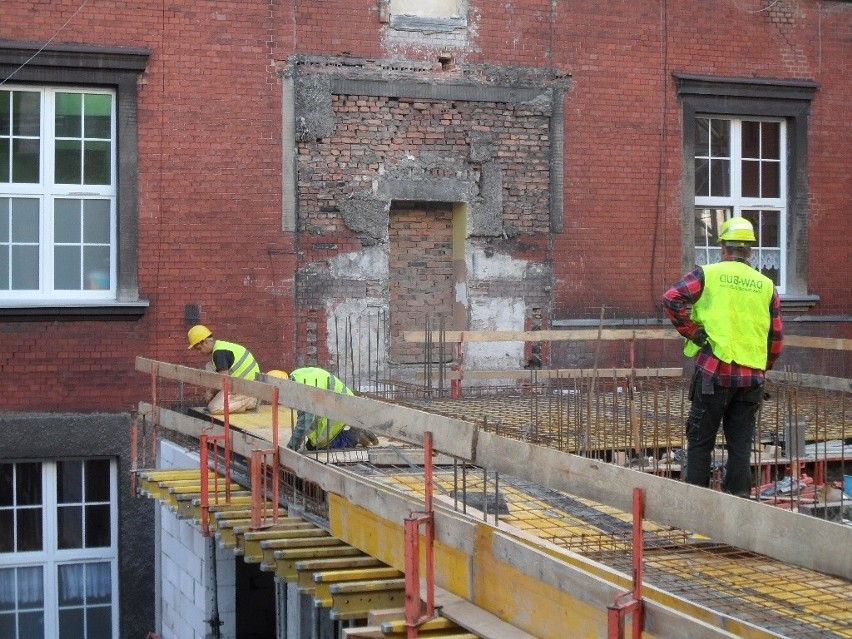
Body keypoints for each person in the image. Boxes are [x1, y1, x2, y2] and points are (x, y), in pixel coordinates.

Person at [662, 217, 783, 497]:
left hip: (713, 376)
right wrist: (762, 368)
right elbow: (775, 338)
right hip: (751, 379)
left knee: (701, 444)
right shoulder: (766, 285)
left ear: (723, 249)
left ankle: (698, 513)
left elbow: (672, 298)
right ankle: (738, 511)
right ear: (750, 251)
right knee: (740, 448)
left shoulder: (709, 274)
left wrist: (694, 332)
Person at [281, 366, 379, 451]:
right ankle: (353, 431)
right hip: (338, 401)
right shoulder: (296, 377)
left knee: (319, 446)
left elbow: (304, 424)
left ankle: (355, 436)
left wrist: (290, 448)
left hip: (341, 407)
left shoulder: (305, 393)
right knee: (311, 446)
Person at [187, 324, 261, 414]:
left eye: (199, 348)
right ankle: (233, 399)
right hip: (245, 383)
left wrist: (210, 392)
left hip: (247, 389)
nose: (199, 352)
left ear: (205, 342)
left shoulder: (219, 353)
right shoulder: (220, 346)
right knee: (209, 366)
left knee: (214, 408)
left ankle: (249, 402)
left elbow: (223, 379)